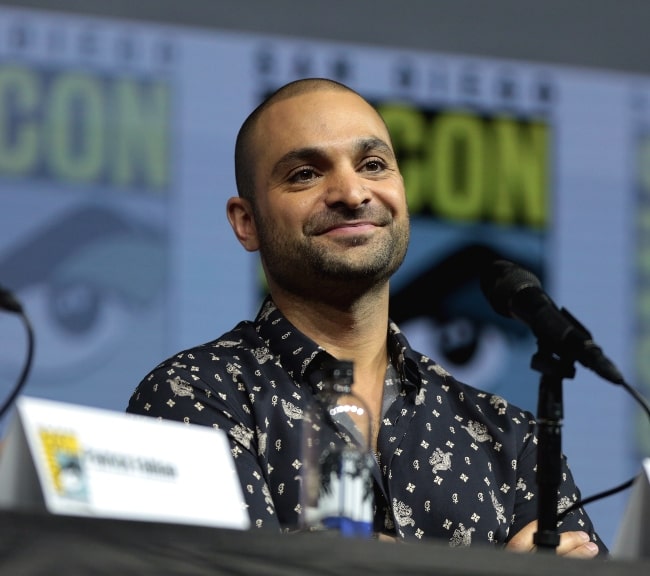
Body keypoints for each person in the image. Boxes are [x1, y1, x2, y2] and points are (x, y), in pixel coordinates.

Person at [127, 78, 605, 557]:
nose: (352, 193)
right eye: (305, 174)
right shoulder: (194, 395)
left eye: (373, 165)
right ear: (246, 222)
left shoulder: (509, 437)